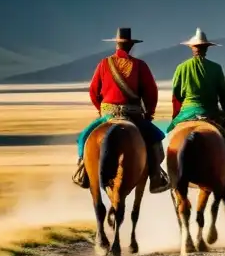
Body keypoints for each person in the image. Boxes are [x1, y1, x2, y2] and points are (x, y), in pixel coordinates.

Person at [73, 28, 170, 193]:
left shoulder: (104, 64)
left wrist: (101, 110)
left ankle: (83, 170)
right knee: (156, 139)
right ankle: (155, 176)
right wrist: (149, 114)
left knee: (83, 138)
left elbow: (93, 91)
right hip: (133, 115)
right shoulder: (140, 65)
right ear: (131, 46)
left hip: (108, 114)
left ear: (117, 45)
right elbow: (151, 92)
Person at [167, 28, 225, 184]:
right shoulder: (216, 68)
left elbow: (177, 95)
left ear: (192, 48)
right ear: (207, 48)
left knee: (168, 140)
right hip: (210, 113)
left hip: (186, 113)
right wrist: (223, 115)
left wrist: (178, 114)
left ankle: (168, 175)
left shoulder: (181, 68)